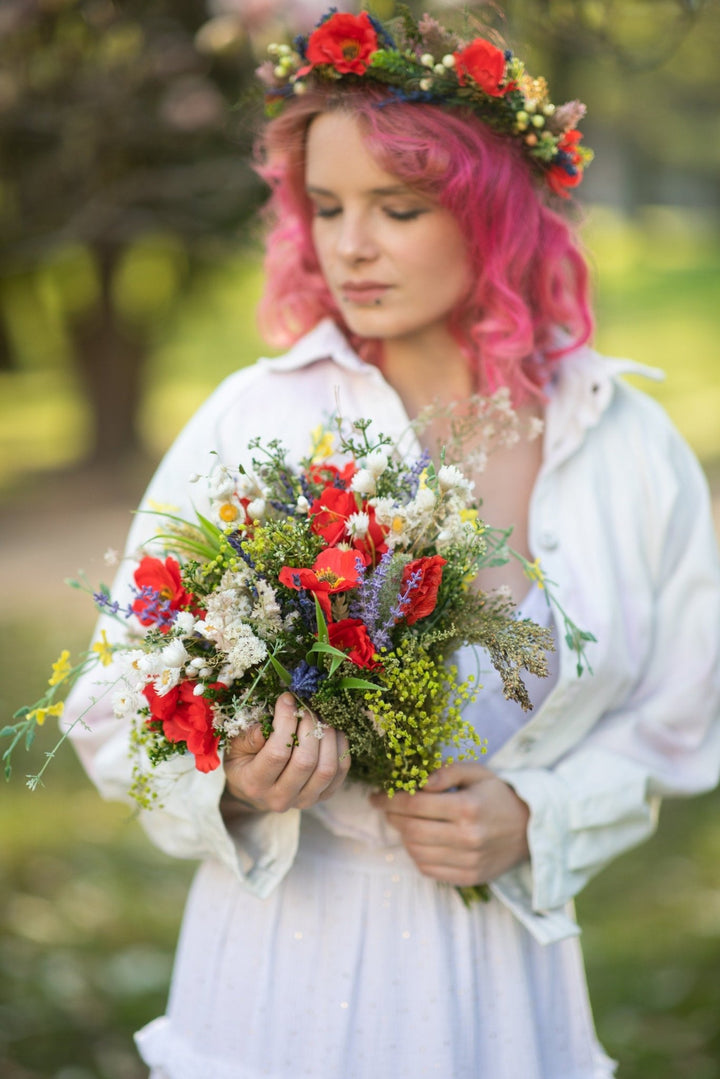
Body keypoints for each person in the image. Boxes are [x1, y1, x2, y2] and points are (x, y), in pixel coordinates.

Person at [64, 9, 720, 1078]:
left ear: (494, 214)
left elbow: (681, 719)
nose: (350, 244)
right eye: (325, 207)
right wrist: (233, 776)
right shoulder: (253, 419)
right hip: (277, 973)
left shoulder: (626, 444)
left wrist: (537, 817)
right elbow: (110, 701)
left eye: (398, 206)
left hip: (501, 980)